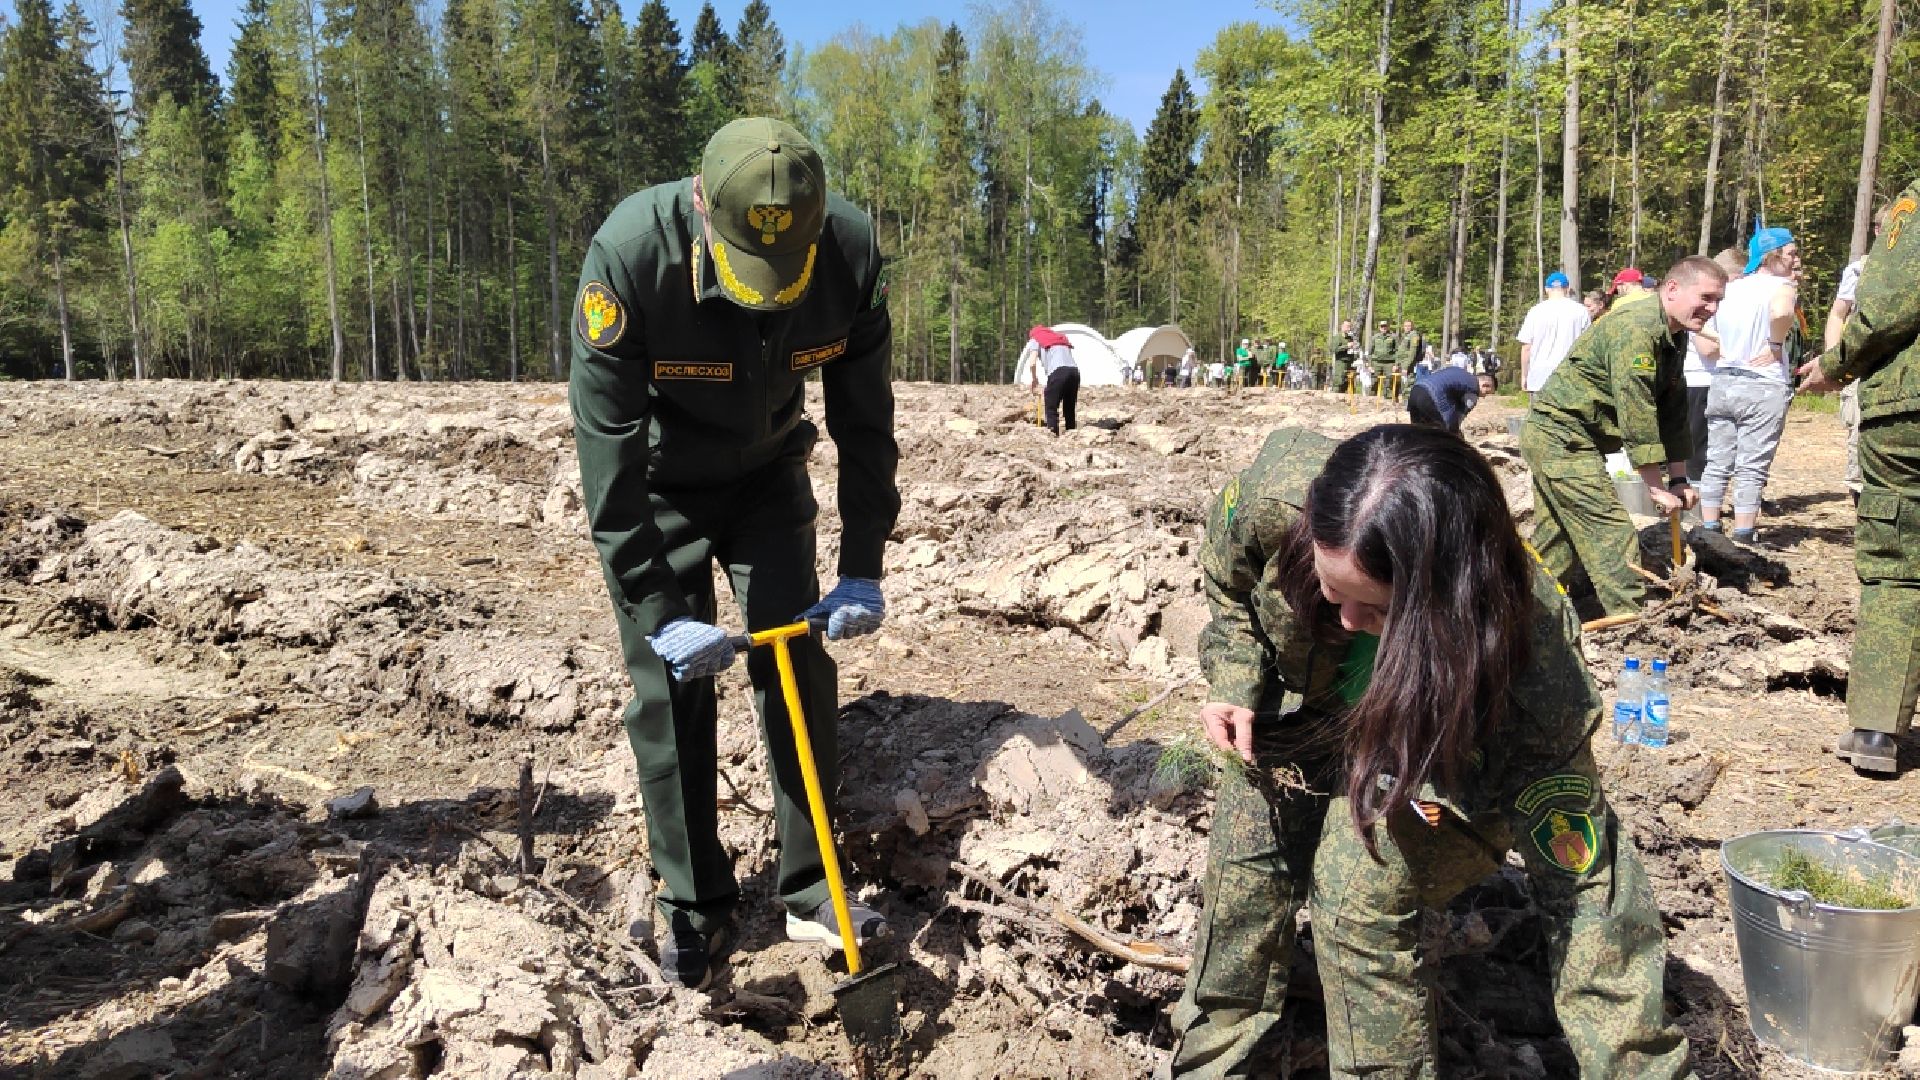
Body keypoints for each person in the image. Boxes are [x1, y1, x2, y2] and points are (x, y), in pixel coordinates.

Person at [1168, 424, 1691, 1079]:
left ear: (1450, 600)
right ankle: (1210, 1059)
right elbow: (1230, 579)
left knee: (1355, 903)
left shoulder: (1531, 668)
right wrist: (1237, 682)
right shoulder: (1277, 499)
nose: (1348, 622)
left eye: (1377, 609)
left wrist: (1639, 1068)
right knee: (1245, 879)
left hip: (1431, 747)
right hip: (1297, 706)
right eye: (1331, 593)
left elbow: (1589, 896)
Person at [570, 117, 899, 990]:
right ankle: (694, 904)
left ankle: (812, 888)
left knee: (796, 663)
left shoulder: (852, 256)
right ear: (700, 206)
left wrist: (863, 560)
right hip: (660, 483)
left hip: (768, 478)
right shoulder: (630, 257)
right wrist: (655, 607)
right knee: (671, 686)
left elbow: (866, 425)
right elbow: (605, 459)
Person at [1520, 256, 1726, 616]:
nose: (1712, 308)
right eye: (1706, 297)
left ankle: (1515, 609)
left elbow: (1672, 410)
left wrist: (1678, 477)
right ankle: (1632, 624)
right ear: (1673, 289)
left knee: (1558, 543)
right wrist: (1655, 486)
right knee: (1611, 531)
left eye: (1718, 301)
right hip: (1560, 436)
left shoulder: (1675, 334)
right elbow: (1638, 410)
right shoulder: (1636, 327)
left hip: (1577, 438)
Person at [1798, 179, 1920, 776]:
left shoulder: (1916, 203)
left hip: (1911, 416)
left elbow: (1890, 304)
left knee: (1898, 564)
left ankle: (1876, 729)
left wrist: (1835, 365)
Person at [1695, 228, 1801, 541]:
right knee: (1751, 465)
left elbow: (1700, 329)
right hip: (1762, 385)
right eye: (1791, 253)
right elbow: (1782, 311)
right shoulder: (1782, 285)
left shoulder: (1732, 288)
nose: (1796, 259)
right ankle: (1743, 533)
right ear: (1773, 255)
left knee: (1716, 460)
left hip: (1724, 381)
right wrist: (1775, 343)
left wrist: (1726, 346)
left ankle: (1710, 527)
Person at [1828, 203, 1893, 500]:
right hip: (1862, 366)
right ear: (1878, 230)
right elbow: (1838, 314)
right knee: (1859, 433)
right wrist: (1833, 361)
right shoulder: (1859, 270)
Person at [1682, 248, 1749, 487]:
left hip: (1720, 380)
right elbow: (1706, 348)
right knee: (1699, 450)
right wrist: (1741, 351)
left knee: (1723, 448)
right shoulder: (1706, 303)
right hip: (1699, 381)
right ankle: (1696, 501)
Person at [1517, 271, 1591, 396]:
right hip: (1570, 376)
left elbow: (1526, 348)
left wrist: (1524, 376)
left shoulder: (1536, 311)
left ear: (1547, 289)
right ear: (1567, 289)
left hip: (1540, 378)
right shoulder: (1581, 311)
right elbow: (1587, 346)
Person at [1407, 366, 1495, 434]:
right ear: (1485, 385)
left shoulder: (1460, 373)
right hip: (1432, 394)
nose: (1483, 396)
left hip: (1416, 390)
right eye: (1486, 393)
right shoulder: (1473, 389)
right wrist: (1455, 433)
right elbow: (1459, 416)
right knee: (1445, 434)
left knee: (1417, 432)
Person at [1031, 324, 1080, 434]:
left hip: (1058, 371)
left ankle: (1052, 434)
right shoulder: (1060, 337)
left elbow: (1032, 362)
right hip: (1074, 372)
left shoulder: (1036, 338)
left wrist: (1034, 380)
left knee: (1051, 406)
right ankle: (1071, 434)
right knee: (1069, 407)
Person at [1331, 320, 1360, 392]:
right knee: (1339, 382)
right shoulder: (1338, 337)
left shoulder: (1350, 338)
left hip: (1350, 362)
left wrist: (1355, 349)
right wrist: (1346, 346)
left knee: (1349, 383)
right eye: (1347, 326)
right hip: (1341, 363)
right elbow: (1334, 349)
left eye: (1350, 327)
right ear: (1342, 326)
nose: (1349, 329)